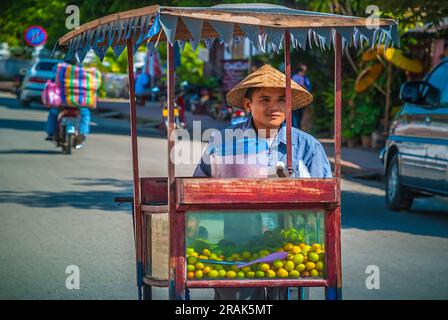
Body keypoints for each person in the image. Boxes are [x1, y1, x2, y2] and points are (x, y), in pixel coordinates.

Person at [193, 64, 332, 300]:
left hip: (291, 254)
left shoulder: (308, 146)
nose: (274, 106)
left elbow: (325, 201)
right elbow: (198, 189)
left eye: (281, 99)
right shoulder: (224, 141)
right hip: (236, 249)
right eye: (264, 99)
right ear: (248, 104)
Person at [291, 64, 312, 130]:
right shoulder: (303, 78)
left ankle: (296, 128)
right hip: (298, 99)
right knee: (297, 115)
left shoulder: (294, 77)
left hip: (297, 99)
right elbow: (308, 88)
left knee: (297, 115)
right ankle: (296, 128)